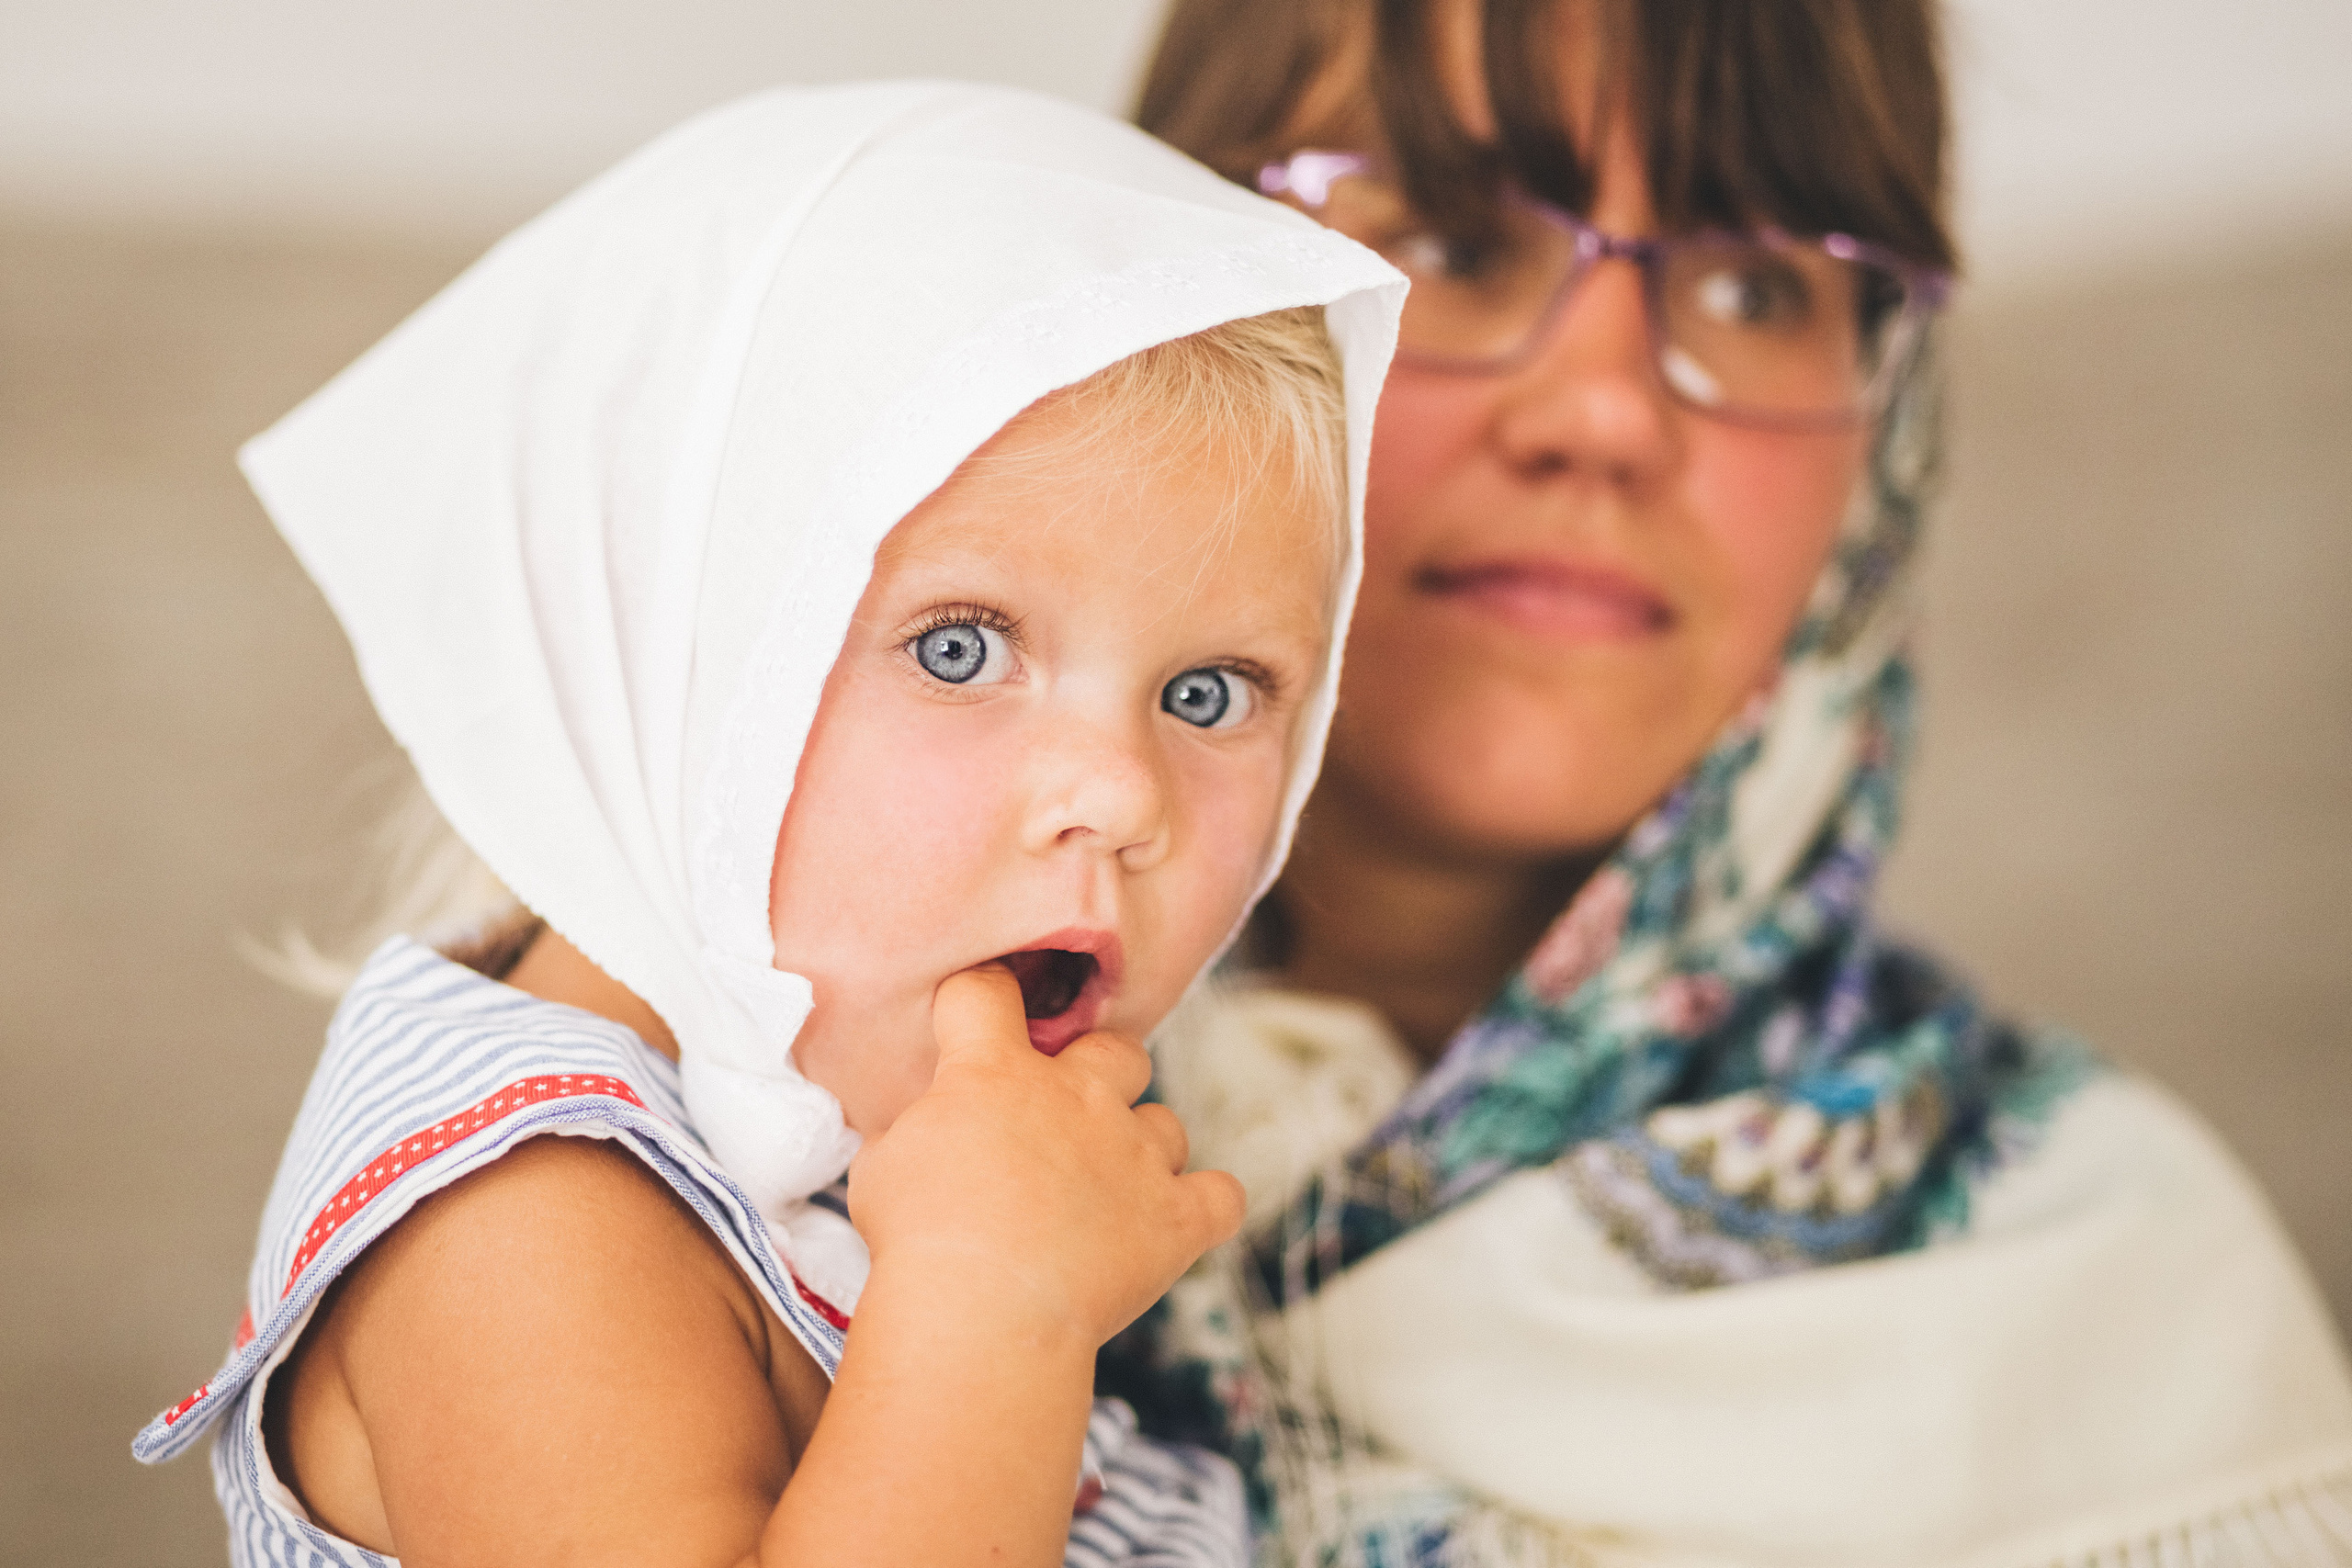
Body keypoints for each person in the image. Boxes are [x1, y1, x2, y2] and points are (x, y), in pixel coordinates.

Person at [1106, 2, 2352, 1563]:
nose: (1610, 412)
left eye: (1762, 285)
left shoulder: (2138, 1319)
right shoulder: (788, 1149)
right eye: (1448, 244)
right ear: (1146, 288)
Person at [131, 82, 1407, 1568]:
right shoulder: (526, 1226)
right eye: (959, 650)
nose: (1124, 797)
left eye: (1209, 691)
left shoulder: (867, 1131)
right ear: (670, 666)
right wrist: (998, 1303)